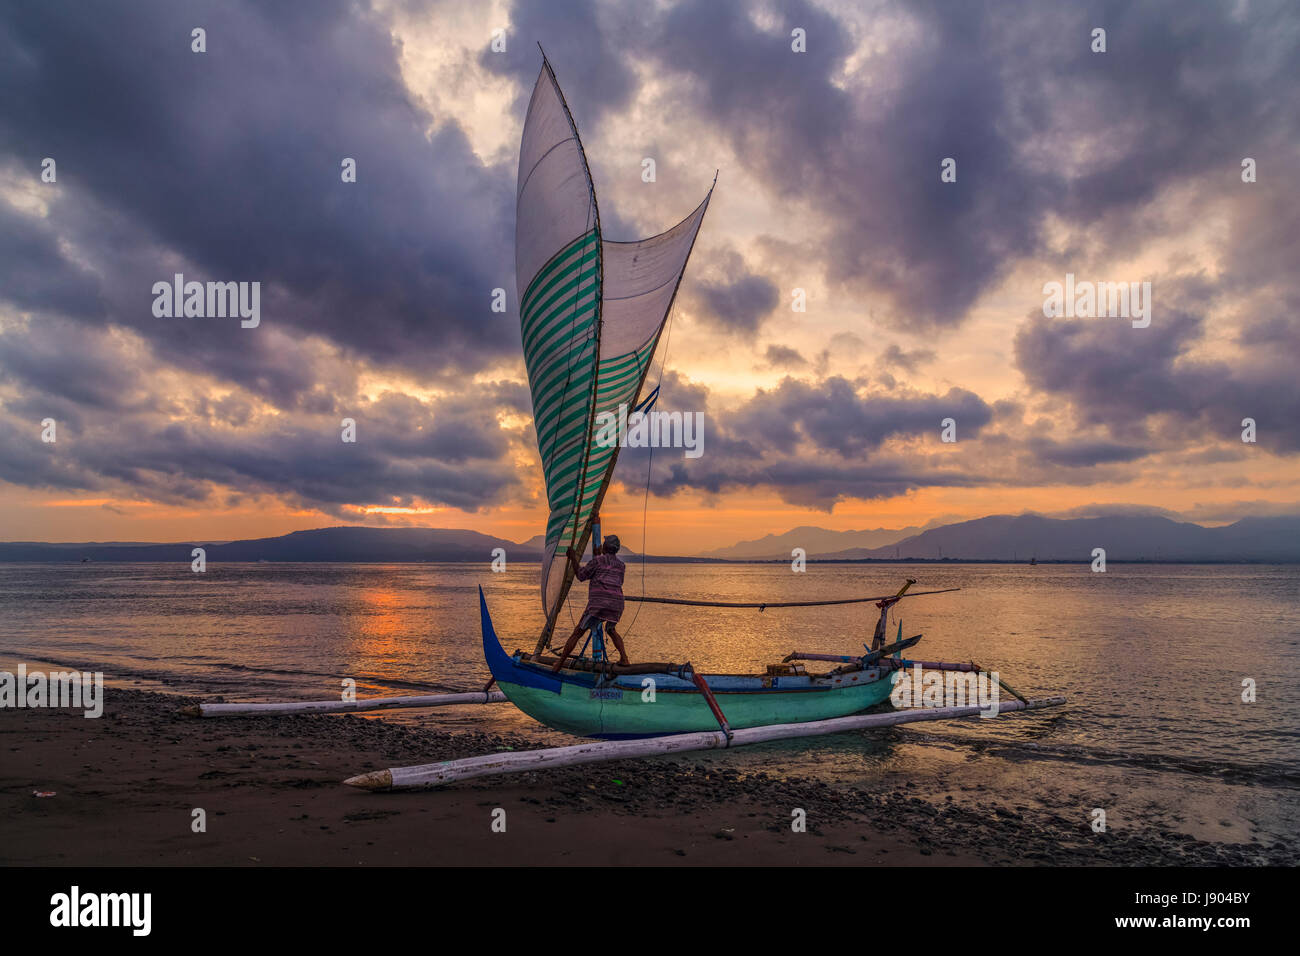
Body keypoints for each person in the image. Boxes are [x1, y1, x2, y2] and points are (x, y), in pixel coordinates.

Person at [551, 532, 630, 670]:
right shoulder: (621, 565)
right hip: (617, 603)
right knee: (611, 629)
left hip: (599, 604)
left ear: (605, 547)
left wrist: (573, 558)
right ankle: (624, 659)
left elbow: (581, 575)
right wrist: (598, 555)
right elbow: (615, 579)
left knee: (578, 632)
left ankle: (560, 663)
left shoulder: (597, 561)